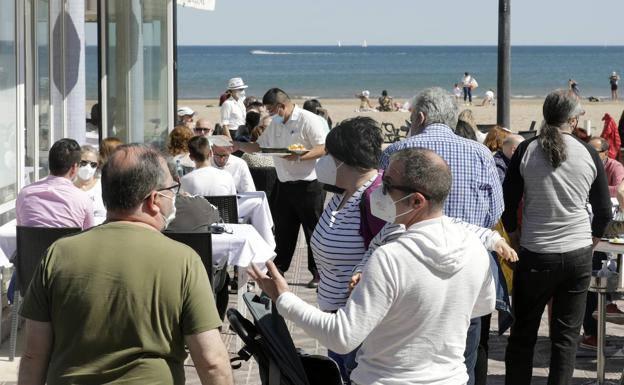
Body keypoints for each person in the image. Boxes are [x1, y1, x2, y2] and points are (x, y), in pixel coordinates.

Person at [250, 148, 497, 385]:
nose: (379, 190)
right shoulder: (475, 248)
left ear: (417, 201)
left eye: (388, 185)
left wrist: (283, 298)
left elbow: (342, 336)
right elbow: (482, 306)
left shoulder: (391, 257)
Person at [17, 144, 233, 384]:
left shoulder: (57, 254)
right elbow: (212, 362)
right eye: (171, 190)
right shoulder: (184, 261)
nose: (173, 198)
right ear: (154, 200)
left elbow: (33, 355)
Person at [380, 87, 504, 385]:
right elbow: (495, 212)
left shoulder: (396, 152)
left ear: (420, 116)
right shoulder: (480, 152)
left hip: (408, 268)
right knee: (463, 360)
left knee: (408, 359)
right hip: (467, 269)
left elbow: (384, 212)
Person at [502, 90, 612, 385]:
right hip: (576, 254)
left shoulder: (527, 149)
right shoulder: (588, 152)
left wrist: (514, 237)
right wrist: (589, 242)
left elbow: (508, 205)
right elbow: (603, 211)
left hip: (536, 252)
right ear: (573, 119)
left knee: (523, 335)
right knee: (565, 338)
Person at [235, 88, 327, 288]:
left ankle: (318, 272)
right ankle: (280, 270)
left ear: (282, 106)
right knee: (284, 229)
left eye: (271, 109)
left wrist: (300, 156)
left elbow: (323, 147)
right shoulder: (275, 123)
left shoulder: (307, 119)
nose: (269, 113)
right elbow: (259, 146)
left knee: (313, 231)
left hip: (309, 182)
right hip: (284, 182)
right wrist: (237, 146)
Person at [16, 138, 94, 230]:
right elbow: (89, 235)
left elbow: (22, 230)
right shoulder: (83, 200)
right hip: (67, 244)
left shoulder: (24, 194)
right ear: (74, 168)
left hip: (32, 244)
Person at [73, 145, 106, 221]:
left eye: (93, 164)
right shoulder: (69, 186)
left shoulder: (103, 185)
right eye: (83, 163)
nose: (88, 167)